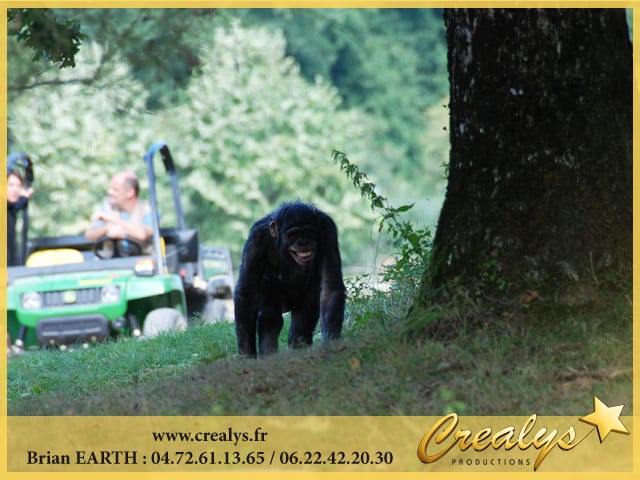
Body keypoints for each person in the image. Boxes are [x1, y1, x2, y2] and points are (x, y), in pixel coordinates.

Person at [84, 171, 153, 252]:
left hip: (142, 261)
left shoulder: (146, 209)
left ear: (130, 192)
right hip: (112, 262)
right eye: (110, 188)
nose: (109, 192)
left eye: (115, 189)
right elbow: (89, 235)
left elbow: (142, 234)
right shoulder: (108, 207)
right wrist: (107, 228)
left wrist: (113, 221)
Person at [7, 168, 34, 266]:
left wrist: (24, 198)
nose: (15, 189)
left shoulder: (10, 209)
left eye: (18, 186)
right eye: (11, 185)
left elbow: (14, 207)